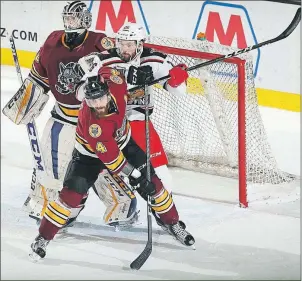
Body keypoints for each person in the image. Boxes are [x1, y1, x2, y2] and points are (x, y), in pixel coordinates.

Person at [29, 67, 195, 260]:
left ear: (108, 92)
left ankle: (173, 223)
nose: (97, 105)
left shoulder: (116, 85)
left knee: (156, 186)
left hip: (126, 144)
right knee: (69, 199)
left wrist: (135, 73)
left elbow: (110, 70)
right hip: (88, 158)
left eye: (99, 99)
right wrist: (138, 178)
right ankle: (42, 238)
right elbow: (115, 162)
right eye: (91, 101)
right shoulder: (94, 125)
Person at [2, 1, 139, 230]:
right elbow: (39, 77)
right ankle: (52, 205)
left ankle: (122, 202)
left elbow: (119, 66)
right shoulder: (53, 41)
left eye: (75, 18)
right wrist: (25, 104)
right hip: (62, 117)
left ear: (85, 20)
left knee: (100, 163)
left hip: (95, 117)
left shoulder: (99, 42)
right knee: (52, 162)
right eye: (68, 18)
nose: (70, 22)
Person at [76, 22, 189, 227]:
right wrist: (126, 77)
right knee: (89, 169)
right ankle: (75, 206)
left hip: (137, 120)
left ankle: (164, 216)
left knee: (160, 173)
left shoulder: (155, 59)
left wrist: (177, 80)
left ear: (140, 44)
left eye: (130, 45)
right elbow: (80, 86)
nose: (125, 49)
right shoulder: (104, 59)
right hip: (106, 123)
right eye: (122, 43)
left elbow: (180, 92)